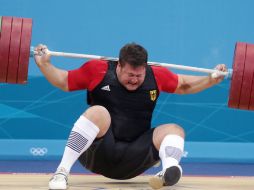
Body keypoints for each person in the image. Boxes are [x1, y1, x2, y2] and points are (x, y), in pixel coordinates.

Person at [34, 43, 227, 190]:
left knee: (175, 130)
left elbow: (184, 84)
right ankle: (61, 172)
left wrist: (211, 79)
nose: (134, 80)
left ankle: (168, 171)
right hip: (98, 153)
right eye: (130, 75)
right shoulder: (97, 70)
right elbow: (64, 81)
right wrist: (45, 64)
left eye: (139, 75)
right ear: (119, 66)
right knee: (98, 112)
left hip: (134, 158)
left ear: (145, 68)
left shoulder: (156, 75)